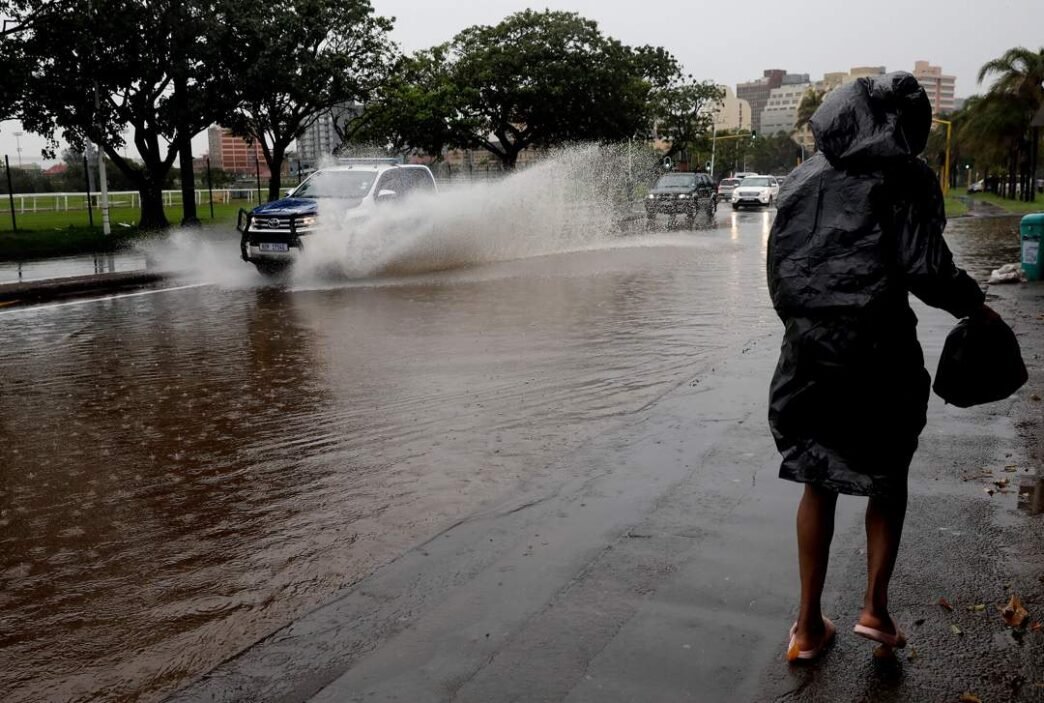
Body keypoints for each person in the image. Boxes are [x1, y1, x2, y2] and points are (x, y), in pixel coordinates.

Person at [766, 72, 995, 662]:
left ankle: (808, 626)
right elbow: (926, 268)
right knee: (887, 476)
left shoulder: (800, 177)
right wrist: (975, 305)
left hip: (809, 353)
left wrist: (807, 333)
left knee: (818, 476)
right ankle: (875, 608)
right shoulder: (907, 177)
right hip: (880, 352)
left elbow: (780, 272)